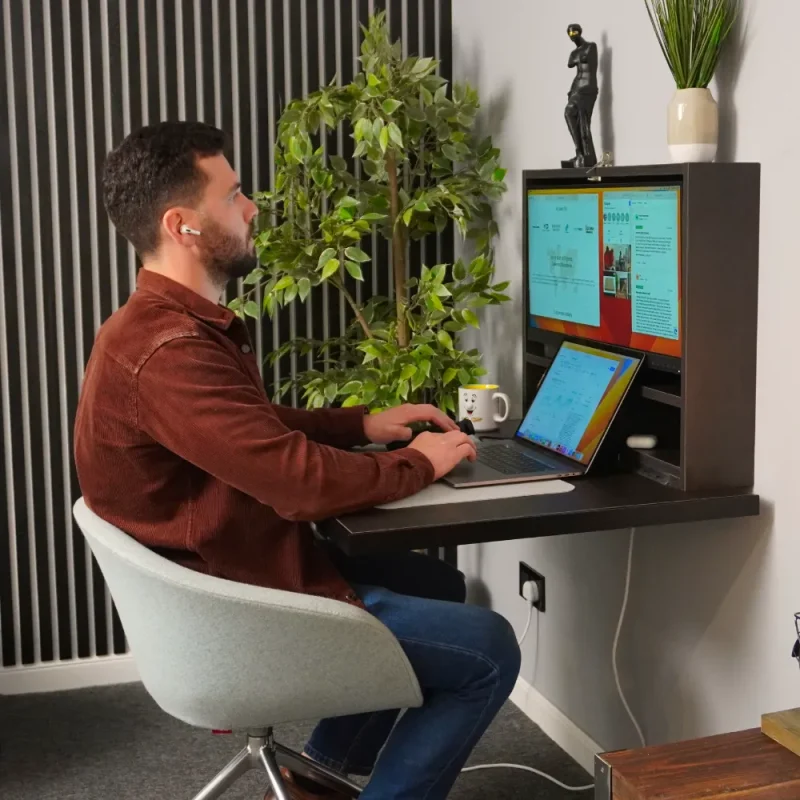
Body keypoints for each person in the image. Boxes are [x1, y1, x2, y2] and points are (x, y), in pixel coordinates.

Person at [73, 122, 521, 800]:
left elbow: (243, 428)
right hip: (239, 605)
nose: (252, 208)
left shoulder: (164, 328)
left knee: (439, 587)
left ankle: (318, 777)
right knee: (488, 650)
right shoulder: (169, 352)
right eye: (234, 195)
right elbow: (300, 486)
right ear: (182, 225)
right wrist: (422, 464)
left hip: (232, 565)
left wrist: (361, 423)